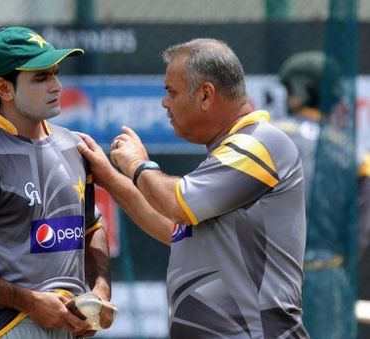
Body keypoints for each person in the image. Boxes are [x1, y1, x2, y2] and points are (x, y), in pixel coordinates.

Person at [77, 38, 308, 338]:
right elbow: (174, 228)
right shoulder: (229, 153)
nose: (164, 103)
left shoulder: (260, 142)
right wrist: (109, 176)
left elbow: (178, 202)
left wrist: (138, 164)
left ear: (205, 95)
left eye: (171, 92)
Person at [0, 26, 112, 339]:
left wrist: (100, 292)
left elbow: (92, 229)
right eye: (41, 77)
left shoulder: (75, 146)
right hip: (6, 329)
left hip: (70, 329)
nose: (57, 86)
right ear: (4, 88)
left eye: (56, 73)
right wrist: (29, 301)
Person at [275, 51, 357, 339]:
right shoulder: (348, 150)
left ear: (297, 90)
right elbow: (361, 226)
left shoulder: (263, 139)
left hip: (271, 273)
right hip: (327, 273)